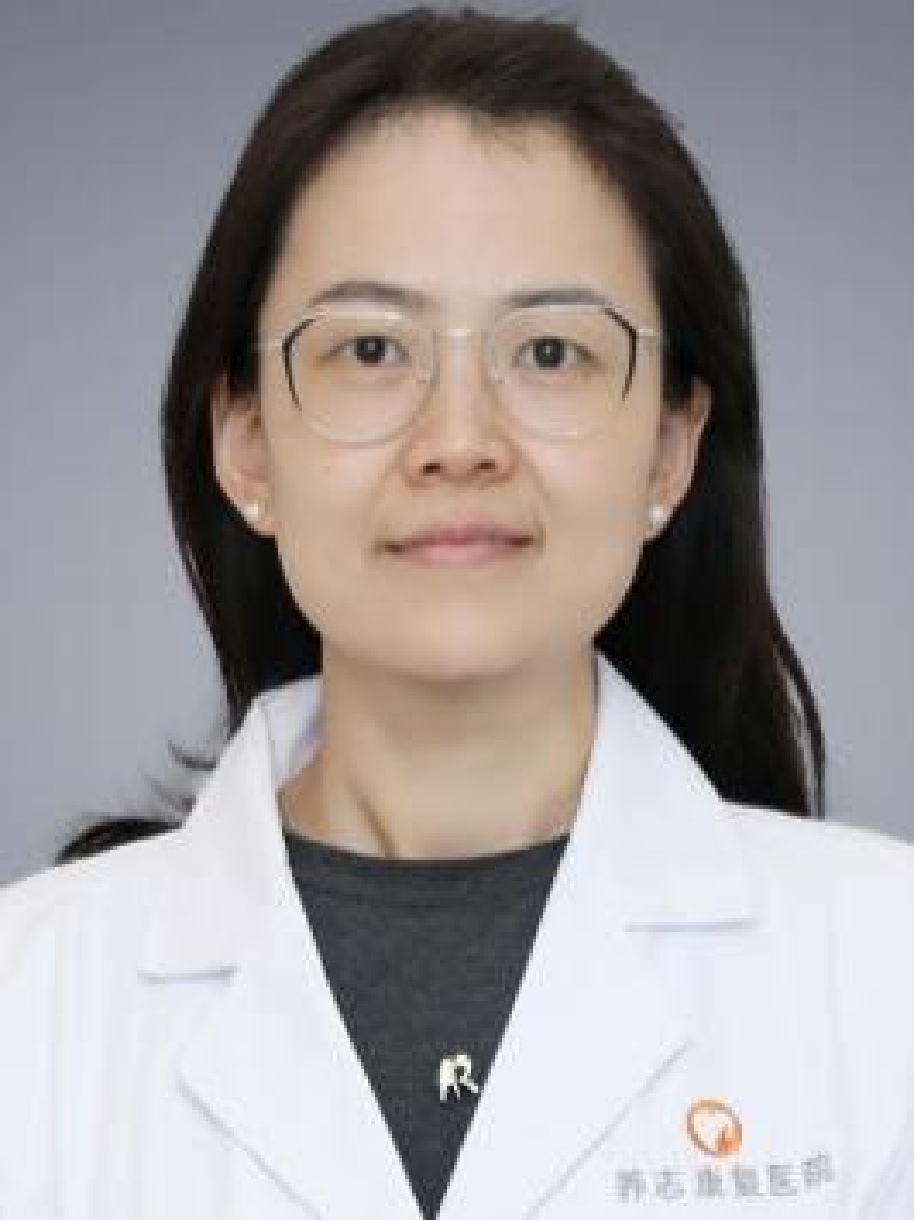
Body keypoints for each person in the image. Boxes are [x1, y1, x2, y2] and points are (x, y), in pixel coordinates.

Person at [0, 5, 911, 1218]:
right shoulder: (29, 1005)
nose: (460, 440)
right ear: (247, 442)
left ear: (669, 448)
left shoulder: (886, 974)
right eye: (371, 350)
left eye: (551, 353)